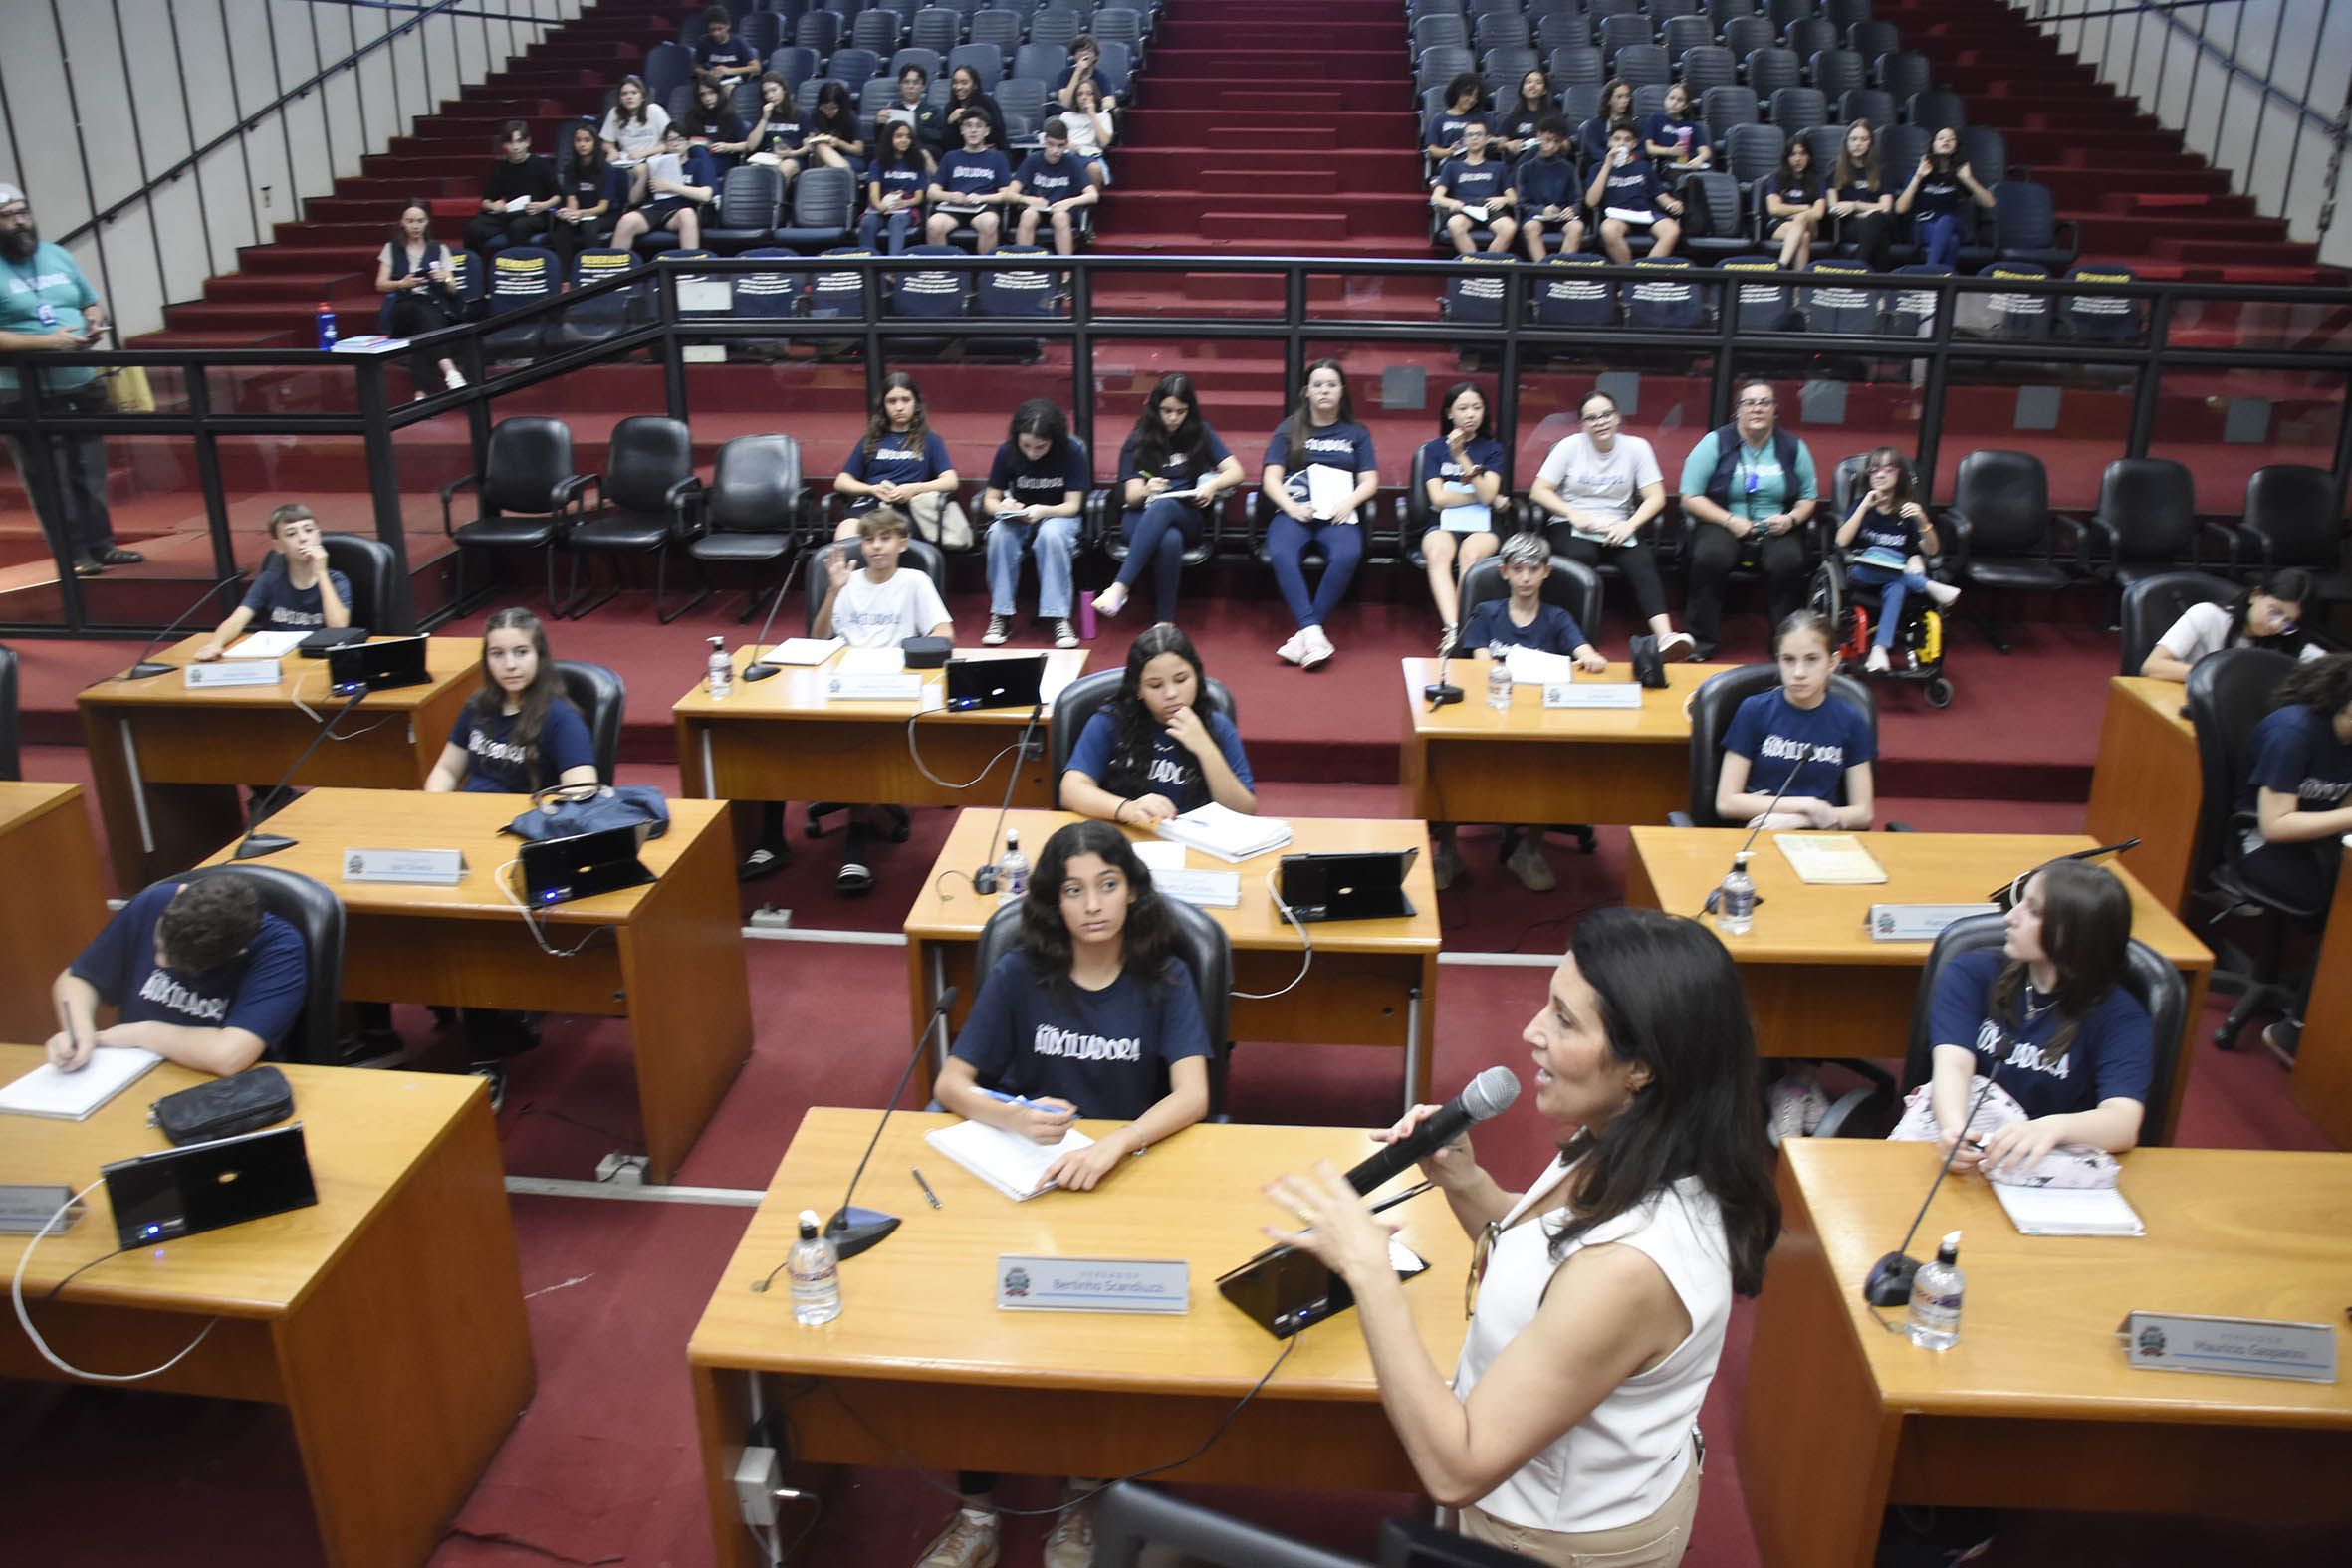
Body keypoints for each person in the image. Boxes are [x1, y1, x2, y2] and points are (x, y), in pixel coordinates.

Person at [1260, 907, 1777, 1567]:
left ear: (1641, 1066)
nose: (1531, 1031)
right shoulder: (1633, 1136)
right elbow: (1543, 1254)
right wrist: (1466, 1181)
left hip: (1551, 1542)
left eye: (1564, 1019)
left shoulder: (1631, 1269)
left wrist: (1368, 1272)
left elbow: (1458, 1466)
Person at [920, 818, 1212, 1568]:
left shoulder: (1164, 975)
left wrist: (1118, 1142)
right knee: (977, 1323)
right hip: (1021, 1172)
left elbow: (1193, 1094)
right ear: (1051, 901)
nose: (1093, 904)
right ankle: (977, 1511)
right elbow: (952, 1083)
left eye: (1108, 885)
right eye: (1074, 889)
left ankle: (1084, 1496)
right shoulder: (1021, 972)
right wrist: (1011, 1114)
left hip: (1120, 1179)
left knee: (1097, 1340)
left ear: (1134, 890)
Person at [420, 607, 598, 1099]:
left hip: (516, 849)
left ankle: (484, 1056)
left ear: (539, 655)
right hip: (463, 837)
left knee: (467, 931)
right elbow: (443, 770)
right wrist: (433, 813)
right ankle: (376, 1030)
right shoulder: (478, 707)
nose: (510, 664)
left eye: (521, 653)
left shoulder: (560, 717)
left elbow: (581, 793)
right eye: (498, 654)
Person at [1902, 860, 2152, 1180]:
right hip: (1971, 1149)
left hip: (2049, 1163)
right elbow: (1953, 1063)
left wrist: (2051, 1128)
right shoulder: (1971, 971)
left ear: (2073, 934)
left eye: (2033, 911)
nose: (2010, 917)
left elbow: (2123, 1122)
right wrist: (1954, 1130)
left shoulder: (2121, 1016)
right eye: (2020, 902)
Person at [1432, 532, 1610, 892]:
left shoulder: (1558, 617)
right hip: (1490, 713)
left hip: (1541, 718)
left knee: (1551, 763)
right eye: (1518, 570)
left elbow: (1584, 651)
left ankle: (1528, 851)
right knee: (1449, 757)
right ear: (1504, 573)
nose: (1526, 578)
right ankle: (1447, 852)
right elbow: (1481, 666)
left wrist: (1591, 658)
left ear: (1546, 572)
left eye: (1533, 569)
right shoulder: (1485, 613)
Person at [805, 507, 955, 894]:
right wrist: (834, 590)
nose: (876, 547)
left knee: (862, 742)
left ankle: (856, 847)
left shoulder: (915, 581)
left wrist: (908, 654)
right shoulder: (848, 582)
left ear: (902, 543)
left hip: (897, 684)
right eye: (870, 539)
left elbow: (944, 633)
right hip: (846, 682)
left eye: (885, 538)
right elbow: (818, 639)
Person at [0, 182, 140, 574]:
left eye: (23, 213)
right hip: (24, 388)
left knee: (90, 471)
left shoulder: (56, 255)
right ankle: (74, 554)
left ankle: (103, 545)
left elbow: (89, 301)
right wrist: (44, 341)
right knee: (50, 478)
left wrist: (93, 322)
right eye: (9, 216)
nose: (19, 222)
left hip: (79, 378)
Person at [47, 876, 308, 1077]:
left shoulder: (279, 948)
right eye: (158, 947)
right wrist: (80, 1030)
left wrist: (141, 1034)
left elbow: (229, 1056)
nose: (159, 962)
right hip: (128, 1073)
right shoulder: (153, 902)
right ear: (180, 894)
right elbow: (77, 978)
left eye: (178, 962)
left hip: (208, 1088)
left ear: (238, 951)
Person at [2234, 652, 2352, 1057]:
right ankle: (2295, 1031)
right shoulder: (2294, 733)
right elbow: (2276, 825)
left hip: (2318, 845)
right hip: (2263, 846)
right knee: (2346, 911)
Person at [1528, 389, 1694, 661]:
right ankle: (1575, 640)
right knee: (1581, 556)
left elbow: (1656, 497)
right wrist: (1573, 513)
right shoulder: (1569, 446)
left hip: (1618, 525)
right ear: (1583, 424)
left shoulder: (1637, 447)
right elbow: (1539, 490)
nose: (1600, 422)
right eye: (1591, 418)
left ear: (1617, 418)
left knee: (1641, 560)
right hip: (1572, 523)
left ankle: (1666, 637)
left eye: (1606, 415)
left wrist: (1630, 525)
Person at [1677, 379, 1819, 659]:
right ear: (1738, 410)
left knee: (1789, 563)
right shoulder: (1715, 442)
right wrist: (1730, 520)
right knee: (1710, 557)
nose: (1757, 409)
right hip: (1723, 520)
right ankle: (1700, 643)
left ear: (1775, 410)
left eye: (1764, 402)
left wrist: (1791, 520)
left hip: (1776, 524)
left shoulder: (1792, 447)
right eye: (1749, 403)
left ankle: (1785, 647)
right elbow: (1690, 496)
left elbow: (1808, 497)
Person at [1059, 624, 1256, 824]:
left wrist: (1206, 749)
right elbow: (1071, 790)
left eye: (1181, 680)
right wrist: (1126, 808)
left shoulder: (1217, 726)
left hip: (1197, 846)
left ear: (1197, 677)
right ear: (1138, 689)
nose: (1171, 694)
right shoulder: (1110, 722)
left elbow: (1244, 811)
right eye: (1155, 685)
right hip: (1125, 840)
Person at [1093, 372, 1244, 625]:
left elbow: (1237, 472)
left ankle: (1120, 587)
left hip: (1187, 514)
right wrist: (1146, 489)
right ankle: (1165, 623)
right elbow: (1131, 498)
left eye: (1180, 411)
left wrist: (1213, 485)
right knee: (1169, 539)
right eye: (1167, 411)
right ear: (1156, 409)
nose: (1173, 418)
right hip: (1140, 515)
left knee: (1166, 507)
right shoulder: (1138, 438)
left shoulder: (1199, 431)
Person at [1262, 358, 1378, 669]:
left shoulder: (1357, 433)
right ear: (1307, 392)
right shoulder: (1288, 429)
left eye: (1331, 385)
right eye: (1318, 385)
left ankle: (1306, 633)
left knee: (1347, 553)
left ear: (1341, 391)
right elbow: (1270, 479)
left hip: (1338, 513)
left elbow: (1370, 480)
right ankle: (1314, 632)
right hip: (1296, 511)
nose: (1324, 391)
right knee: (1281, 552)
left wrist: (1350, 501)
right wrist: (1291, 506)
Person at [1716, 608, 1875, 831]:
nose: (1799, 672)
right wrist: (1808, 806)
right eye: (1789, 660)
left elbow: (1863, 813)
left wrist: (1803, 820)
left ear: (1832, 662)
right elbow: (1726, 802)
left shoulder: (1852, 720)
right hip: (1758, 832)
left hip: (1823, 838)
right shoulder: (1754, 710)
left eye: (1812, 660)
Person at [1833, 446, 1961, 674]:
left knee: (1898, 585)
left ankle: (1879, 650)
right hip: (1863, 570)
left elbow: (1932, 550)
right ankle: (1929, 587)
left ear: (1899, 474)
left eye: (1887, 469)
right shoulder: (1861, 504)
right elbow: (1842, 542)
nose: (1879, 474)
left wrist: (1922, 520)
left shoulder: (1908, 511)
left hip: (1898, 572)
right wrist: (1863, 507)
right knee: (1895, 572)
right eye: (1874, 469)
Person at [980, 398, 1089, 648]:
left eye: (1039, 447)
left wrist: (1042, 511)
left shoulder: (1072, 452)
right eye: (1026, 446)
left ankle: (1058, 617)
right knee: (998, 533)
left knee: (1050, 535)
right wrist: (1004, 508)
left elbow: (1073, 505)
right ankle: (1001, 614)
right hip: (1019, 516)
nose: (1031, 453)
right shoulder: (1006, 451)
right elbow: (990, 500)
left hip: (1057, 515)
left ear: (1054, 440)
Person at [191, 504, 352, 659]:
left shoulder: (336, 580)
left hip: (317, 658)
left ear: (318, 535)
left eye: (308, 530)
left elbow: (338, 628)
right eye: (291, 533)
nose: (303, 538)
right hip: (276, 659)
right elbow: (237, 620)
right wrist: (215, 644)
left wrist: (321, 572)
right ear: (278, 545)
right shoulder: (269, 580)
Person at [1418, 381, 1507, 650]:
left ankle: (1466, 626)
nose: (1471, 414)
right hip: (1443, 520)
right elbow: (1438, 497)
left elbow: (1488, 496)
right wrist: (1481, 494)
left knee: (1471, 555)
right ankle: (1454, 629)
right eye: (1463, 408)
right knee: (1438, 552)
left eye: (1477, 408)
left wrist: (1461, 457)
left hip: (1483, 523)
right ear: (1449, 413)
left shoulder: (1493, 450)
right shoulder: (1432, 450)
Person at [830, 371, 962, 544]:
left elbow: (951, 481)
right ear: (884, 405)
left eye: (905, 400)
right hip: (871, 508)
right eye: (892, 401)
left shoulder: (930, 440)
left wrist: (915, 488)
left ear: (915, 403)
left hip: (908, 511)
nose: (899, 407)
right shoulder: (871, 439)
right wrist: (872, 489)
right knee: (845, 533)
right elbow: (842, 481)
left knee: (890, 539)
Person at [2141, 568, 2319, 681]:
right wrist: (2225, 677)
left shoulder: (2286, 641)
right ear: (2256, 595)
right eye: (2275, 612)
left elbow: (2330, 666)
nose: (2277, 625)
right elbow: (2152, 667)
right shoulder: (2207, 615)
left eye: (2288, 622)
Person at [372, 200, 469, 398]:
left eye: (420, 221)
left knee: (423, 330)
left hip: (435, 308)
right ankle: (449, 370)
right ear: (402, 223)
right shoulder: (392, 248)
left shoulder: (439, 248)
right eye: (410, 221)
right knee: (418, 308)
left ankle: (420, 394)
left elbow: (452, 288)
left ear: (427, 222)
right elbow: (380, 284)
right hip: (403, 312)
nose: (415, 226)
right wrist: (402, 283)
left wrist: (445, 277)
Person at [1895, 126, 1996, 271]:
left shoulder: (1961, 174)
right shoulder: (1920, 174)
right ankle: (1945, 280)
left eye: (1951, 139)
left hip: (1953, 223)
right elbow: (1900, 209)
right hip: (1923, 226)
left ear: (1956, 147)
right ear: (1933, 145)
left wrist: (1968, 179)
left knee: (1946, 220)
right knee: (1952, 241)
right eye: (1941, 138)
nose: (1946, 141)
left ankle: (1929, 273)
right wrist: (1918, 177)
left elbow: (1989, 203)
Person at [610, 121, 719, 252]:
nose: (675, 143)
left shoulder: (698, 165)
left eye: (680, 139)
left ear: (688, 143)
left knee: (687, 214)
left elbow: (706, 195)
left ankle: (689, 267)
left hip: (678, 212)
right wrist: (644, 175)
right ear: (665, 144)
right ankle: (614, 268)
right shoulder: (655, 164)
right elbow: (634, 200)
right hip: (654, 210)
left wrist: (670, 186)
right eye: (671, 140)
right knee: (627, 220)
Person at [1588, 121, 1683, 263]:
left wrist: (1673, 203)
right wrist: (1608, 165)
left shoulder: (1643, 167)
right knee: (1608, 230)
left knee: (1672, 230)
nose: (1622, 144)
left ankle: (1644, 273)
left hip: (1645, 214)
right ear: (1609, 142)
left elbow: (1660, 196)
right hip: (1618, 216)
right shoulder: (1598, 168)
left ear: (1634, 144)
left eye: (1627, 140)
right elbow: (1591, 202)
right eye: (1617, 139)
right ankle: (1630, 277)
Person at [462, 121, 561, 254]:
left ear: (528, 142)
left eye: (519, 142)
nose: (515, 147)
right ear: (504, 145)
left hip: (536, 214)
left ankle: (518, 267)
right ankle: (473, 268)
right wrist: (493, 206)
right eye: (510, 143)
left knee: (518, 227)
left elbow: (558, 196)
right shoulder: (501, 169)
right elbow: (486, 201)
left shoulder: (541, 165)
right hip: (509, 214)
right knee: (473, 228)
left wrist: (543, 205)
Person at [926, 111, 1016, 252]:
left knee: (989, 222)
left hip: (983, 207)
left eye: (978, 126)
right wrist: (950, 196)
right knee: (933, 224)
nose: (973, 130)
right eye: (968, 126)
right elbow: (932, 192)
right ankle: (943, 272)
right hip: (953, 207)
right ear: (962, 130)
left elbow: (1006, 194)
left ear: (986, 131)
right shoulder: (950, 157)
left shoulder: (997, 158)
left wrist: (981, 198)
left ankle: (983, 272)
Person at [1431, 116, 1519, 257]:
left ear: (1486, 139)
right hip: (1465, 209)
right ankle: (1475, 266)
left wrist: (1502, 200)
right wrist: (1452, 203)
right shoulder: (1452, 167)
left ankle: (1486, 267)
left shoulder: (1498, 167)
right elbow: (1437, 197)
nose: (1474, 138)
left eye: (1478, 135)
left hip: (1490, 209)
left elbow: (1513, 198)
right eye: (1469, 135)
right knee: (1455, 224)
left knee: (1509, 227)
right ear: (1464, 140)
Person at [1010, 120, 1101, 253]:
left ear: (1066, 144)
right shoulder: (1032, 160)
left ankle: (1066, 272)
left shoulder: (1072, 162)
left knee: (1060, 218)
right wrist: (1028, 200)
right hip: (1037, 208)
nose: (1055, 151)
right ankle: (1022, 269)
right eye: (1051, 145)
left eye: (1060, 146)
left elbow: (1093, 195)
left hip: (1062, 211)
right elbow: (1010, 193)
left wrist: (1069, 202)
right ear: (1044, 142)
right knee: (1028, 215)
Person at [548, 123, 621, 272]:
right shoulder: (570, 168)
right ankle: (564, 276)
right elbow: (572, 199)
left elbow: (603, 207)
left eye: (587, 140)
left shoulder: (608, 170)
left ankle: (594, 272)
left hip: (606, 215)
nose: (582, 145)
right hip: (582, 214)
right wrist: (569, 214)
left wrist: (580, 214)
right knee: (563, 226)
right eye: (578, 140)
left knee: (589, 227)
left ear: (595, 143)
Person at [1514, 116, 1585, 260]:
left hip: (1562, 216)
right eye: (1548, 140)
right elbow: (1523, 202)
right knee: (1530, 228)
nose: (1552, 146)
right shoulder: (1525, 168)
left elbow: (1578, 199)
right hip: (1537, 216)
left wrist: (1572, 210)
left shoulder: (1568, 168)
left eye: (1557, 142)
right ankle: (1543, 273)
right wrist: (1542, 210)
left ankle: (1560, 271)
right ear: (1539, 136)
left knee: (1577, 227)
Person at [860, 120, 934, 255]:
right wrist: (879, 206)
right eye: (899, 136)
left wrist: (904, 203)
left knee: (896, 221)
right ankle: (866, 267)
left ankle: (893, 269)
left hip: (906, 209)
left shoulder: (918, 162)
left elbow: (919, 197)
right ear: (890, 139)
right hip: (883, 207)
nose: (904, 140)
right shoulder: (877, 164)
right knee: (868, 222)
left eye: (907, 137)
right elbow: (874, 193)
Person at [1827, 119, 1893, 271]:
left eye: (1864, 139)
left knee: (1877, 220)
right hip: (1849, 224)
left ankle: (1857, 268)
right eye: (1854, 139)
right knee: (1881, 237)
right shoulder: (1834, 168)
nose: (1858, 144)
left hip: (1876, 220)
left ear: (1871, 143)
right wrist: (1867, 212)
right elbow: (1833, 207)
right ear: (1847, 142)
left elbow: (1886, 207)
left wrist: (1855, 206)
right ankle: (1881, 284)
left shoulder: (1881, 170)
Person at [1764, 133, 1825, 271]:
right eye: (1793, 155)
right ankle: (1798, 286)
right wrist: (1804, 208)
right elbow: (1774, 209)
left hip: (1811, 225)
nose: (1798, 159)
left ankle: (1781, 267)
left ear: (1809, 156)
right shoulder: (1777, 178)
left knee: (1802, 221)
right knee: (1804, 236)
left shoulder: (1818, 179)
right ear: (1787, 157)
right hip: (1781, 225)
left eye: (1803, 154)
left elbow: (1819, 212)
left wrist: (1800, 215)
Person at [744, 72, 808, 183]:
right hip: (769, 157)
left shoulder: (800, 114)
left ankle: (775, 201)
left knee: (781, 172)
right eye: (766, 92)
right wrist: (764, 119)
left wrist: (791, 153)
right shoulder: (763, 114)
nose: (770, 96)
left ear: (783, 89)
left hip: (793, 157)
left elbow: (808, 147)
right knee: (752, 173)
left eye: (774, 90)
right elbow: (750, 146)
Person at [1639, 80, 1711, 173]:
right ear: (1665, 100)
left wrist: (1699, 159)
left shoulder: (1692, 126)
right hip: (1668, 166)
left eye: (1679, 100)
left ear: (1685, 105)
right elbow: (1649, 148)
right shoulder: (1655, 119)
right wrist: (1670, 151)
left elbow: (1705, 152)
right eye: (1671, 98)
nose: (1674, 102)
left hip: (1690, 166)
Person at [877, 64, 946, 157]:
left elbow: (940, 136)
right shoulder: (891, 110)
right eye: (906, 82)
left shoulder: (934, 110)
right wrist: (878, 125)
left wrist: (915, 128)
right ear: (900, 85)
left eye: (916, 82)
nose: (911, 86)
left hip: (924, 152)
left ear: (923, 86)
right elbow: (881, 140)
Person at [598, 75, 670, 164]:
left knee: (640, 169)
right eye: (624, 93)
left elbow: (670, 142)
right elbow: (606, 143)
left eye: (634, 92)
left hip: (654, 159)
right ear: (620, 98)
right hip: (626, 161)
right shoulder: (614, 113)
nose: (629, 97)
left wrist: (643, 154)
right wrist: (612, 150)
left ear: (643, 96)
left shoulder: (655, 110)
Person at [682, 73, 747, 170]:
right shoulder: (692, 116)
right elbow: (684, 140)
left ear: (718, 93)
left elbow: (747, 145)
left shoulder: (730, 116)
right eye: (703, 94)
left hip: (724, 159)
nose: (708, 98)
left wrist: (728, 147)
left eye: (711, 92)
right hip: (698, 158)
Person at [941, 64, 1008, 155]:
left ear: (975, 85)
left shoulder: (988, 103)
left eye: (964, 83)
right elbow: (946, 143)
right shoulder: (950, 107)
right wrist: (950, 122)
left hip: (987, 153)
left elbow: (999, 135)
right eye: (955, 82)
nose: (958, 87)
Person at [1062, 76, 1116, 187]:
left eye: (1089, 93)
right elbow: (1057, 139)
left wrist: (1092, 115)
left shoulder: (1104, 117)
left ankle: (1089, 202)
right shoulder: (1066, 116)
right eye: (1080, 94)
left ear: (1095, 96)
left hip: (1091, 155)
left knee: (1095, 169)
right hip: (1068, 153)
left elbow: (1105, 143)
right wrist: (1066, 146)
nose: (1084, 97)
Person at [804, 81, 867, 175]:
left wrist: (838, 143)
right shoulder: (815, 115)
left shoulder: (851, 118)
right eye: (825, 107)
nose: (829, 112)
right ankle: (842, 175)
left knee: (826, 170)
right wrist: (814, 140)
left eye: (833, 108)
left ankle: (840, 174)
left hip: (848, 158)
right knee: (820, 147)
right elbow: (809, 139)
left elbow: (859, 151)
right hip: (821, 157)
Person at [1424, 72, 1488, 165]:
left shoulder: (1480, 117)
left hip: (1476, 161)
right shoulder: (1440, 119)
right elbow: (1432, 150)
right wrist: (1449, 152)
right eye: (1468, 94)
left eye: (1475, 96)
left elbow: (1489, 139)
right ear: (1457, 92)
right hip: (1450, 162)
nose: (1472, 100)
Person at [1495, 69, 1555, 159]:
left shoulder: (1552, 115)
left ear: (1545, 90)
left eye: (1538, 82)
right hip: (1516, 159)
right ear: (1522, 90)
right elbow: (1498, 144)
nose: (1533, 85)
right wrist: (1507, 145)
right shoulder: (1513, 116)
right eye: (1528, 82)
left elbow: (1565, 144)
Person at [693, 3, 761, 84]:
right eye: (712, 30)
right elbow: (696, 68)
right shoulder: (703, 42)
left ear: (728, 25)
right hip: (712, 81)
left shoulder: (738, 41)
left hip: (733, 80)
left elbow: (756, 67)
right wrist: (709, 73)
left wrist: (728, 71)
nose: (716, 33)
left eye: (719, 29)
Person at [1576, 77, 1635, 168]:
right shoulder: (1594, 126)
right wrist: (1615, 159)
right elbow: (1594, 151)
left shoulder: (1634, 124)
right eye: (1619, 96)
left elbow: (1641, 149)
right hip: (1602, 168)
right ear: (1609, 100)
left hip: (1629, 167)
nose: (1624, 101)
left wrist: (1631, 158)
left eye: (1627, 96)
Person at [1055, 33, 1117, 112]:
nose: (1085, 53)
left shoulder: (1102, 77)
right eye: (1081, 50)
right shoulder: (1065, 74)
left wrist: (1090, 107)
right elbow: (1065, 103)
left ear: (1096, 56)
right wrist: (1078, 71)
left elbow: (1110, 103)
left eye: (1089, 50)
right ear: (1074, 55)